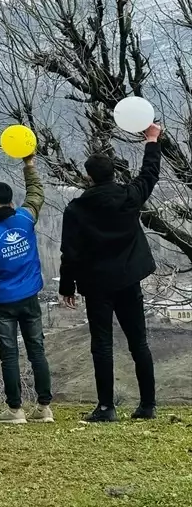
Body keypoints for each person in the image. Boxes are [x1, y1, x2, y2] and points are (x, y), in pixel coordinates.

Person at [59, 123, 163, 423]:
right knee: (138, 342)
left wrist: (67, 287)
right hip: (129, 279)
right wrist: (152, 140)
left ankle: (106, 407)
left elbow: (71, 253)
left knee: (101, 344)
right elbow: (149, 173)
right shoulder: (129, 197)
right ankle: (147, 405)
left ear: (88, 177)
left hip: (96, 284)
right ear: (113, 174)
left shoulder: (76, 210)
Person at [0, 153, 52, 424]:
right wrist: (29, 165)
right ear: (11, 200)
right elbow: (36, 193)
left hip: (3, 301)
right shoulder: (25, 217)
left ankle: (15, 410)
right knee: (36, 350)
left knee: (8, 355)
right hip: (30, 295)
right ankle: (44, 408)